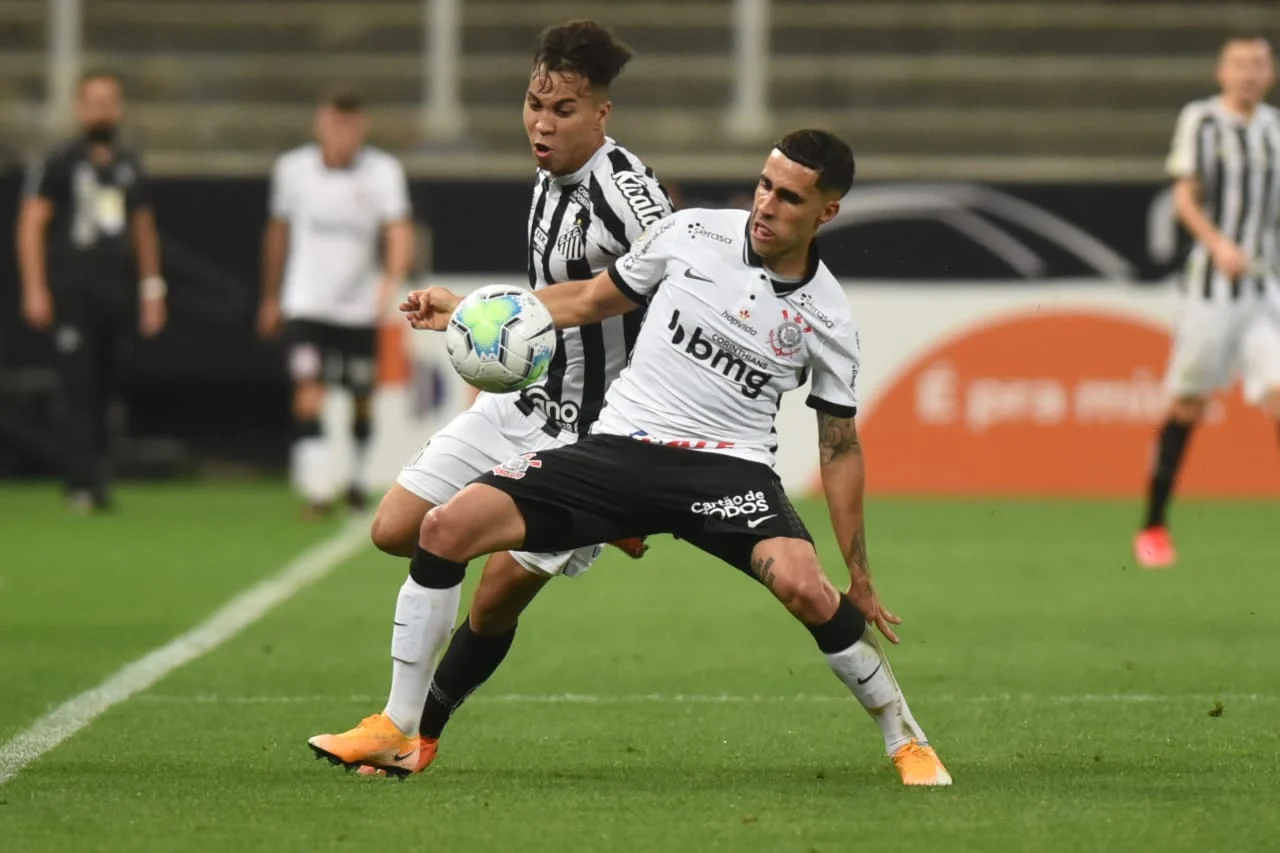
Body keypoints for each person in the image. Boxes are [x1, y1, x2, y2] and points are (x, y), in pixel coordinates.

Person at [314, 129, 952, 787]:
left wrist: (861, 572)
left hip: (728, 470)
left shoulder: (830, 316)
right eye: (765, 185)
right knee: (444, 528)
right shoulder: (692, 233)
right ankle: (403, 730)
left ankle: (907, 740)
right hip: (619, 449)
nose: (766, 205)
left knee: (806, 587)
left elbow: (840, 445)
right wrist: (474, 310)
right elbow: (589, 298)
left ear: (827, 212)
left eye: (789, 197)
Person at [308, 19, 675, 777]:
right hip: (524, 405)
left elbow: (675, 302)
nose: (542, 122)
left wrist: (639, 462)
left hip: (591, 439)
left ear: (601, 115)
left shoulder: (629, 199)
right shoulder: (548, 176)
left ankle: (407, 728)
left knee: (494, 588)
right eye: (534, 103)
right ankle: (404, 725)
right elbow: (552, 303)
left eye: (563, 110)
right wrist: (475, 319)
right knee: (394, 527)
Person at [1136, 35, 1280, 569]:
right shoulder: (1201, 120)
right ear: (1222, 71)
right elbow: (1183, 196)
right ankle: (1153, 524)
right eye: (1240, 63)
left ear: (1270, 73)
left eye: (1258, 64)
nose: (1249, 72)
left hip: (1266, 290)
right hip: (1211, 290)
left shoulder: (1274, 130)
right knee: (1187, 406)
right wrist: (1218, 244)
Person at [257, 88, 414, 517]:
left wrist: (391, 280)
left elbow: (398, 229)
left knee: (362, 394)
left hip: (360, 306)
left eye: (348, 125)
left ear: (360, 128)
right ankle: (318, 489)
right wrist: (271, 297)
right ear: (319, 125)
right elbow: (278, 232)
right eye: (332, 124)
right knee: (309, 390)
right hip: (306, 303)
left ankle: (358, 480)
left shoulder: (383, 171)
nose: (340, 134)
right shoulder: (293, 170)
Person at [16, 70, 165, 513]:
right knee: (77, 386)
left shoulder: (127, 164)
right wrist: (35, 287)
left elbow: (143, 228)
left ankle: (96, 476)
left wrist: (152, 287)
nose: (102, 110)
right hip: (72, 293)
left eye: (110, 101)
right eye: (94, 101)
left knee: (107, 387)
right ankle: (80, 480)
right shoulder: (59, 162)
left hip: (116, 293)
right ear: (80, 107)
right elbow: (31, 225)